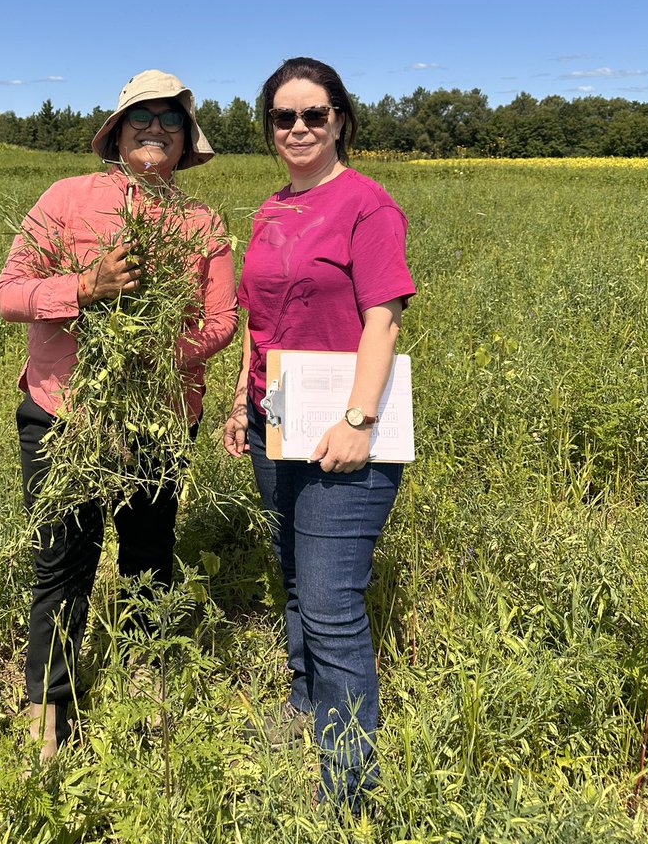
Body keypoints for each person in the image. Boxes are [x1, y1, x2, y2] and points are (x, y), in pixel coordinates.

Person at [0, 70, 237, 760]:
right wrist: (86, 287)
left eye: (170, 118)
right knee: (63, 562)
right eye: (142, 116)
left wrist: (159, 354)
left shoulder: (202, 223)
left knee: (149, 554)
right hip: (62, 414)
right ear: (117, 131)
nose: (156, 127)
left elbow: (221, 320)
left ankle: (144, 675)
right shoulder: (67, 198)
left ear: (187, 138)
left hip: (159, 419)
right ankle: (49, 704)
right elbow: (9, 293)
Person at [223, 56, 415, 811]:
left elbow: (383, 319)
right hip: (279, 418)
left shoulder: (369, 206)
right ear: (268, 127)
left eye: (314, 114)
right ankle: (306, 705)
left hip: (345, 426)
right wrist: (244, 403)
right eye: (283, 117)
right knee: (295, 572)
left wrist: (359, 421)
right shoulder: (269, 211)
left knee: (334, 604)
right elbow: (256, 322)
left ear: (340, 120)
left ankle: (349, 791)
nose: (298, 128)